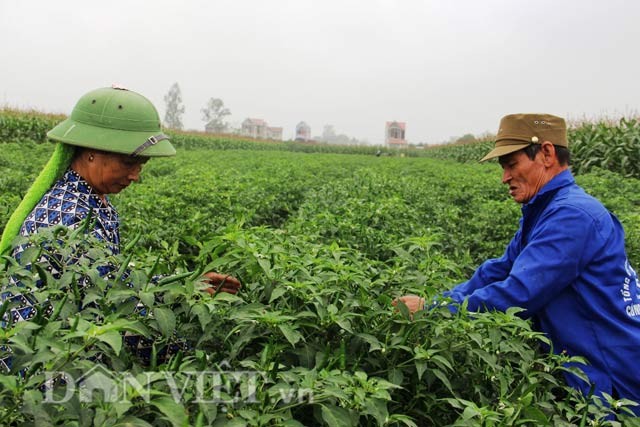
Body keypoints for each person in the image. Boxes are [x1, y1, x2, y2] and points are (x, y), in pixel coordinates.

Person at [396, 113, 640, 408]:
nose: (505, 177)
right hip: (593, 366)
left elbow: (519, 293)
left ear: (547, 154)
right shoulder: (545, 211)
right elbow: (497, 272)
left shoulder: (572, 216)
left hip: (614, 377)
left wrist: (435, 310)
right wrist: (435, 302)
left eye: (512, 165)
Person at [0, 86, 240, 363]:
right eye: (128, 163)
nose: (135, 176)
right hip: (46, 364)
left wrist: (184, 286)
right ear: (92, 152)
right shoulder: (71, 217)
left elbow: (108, 282)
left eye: (141, 164)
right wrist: (187, 358)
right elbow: (109, 309)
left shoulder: (90, 198)